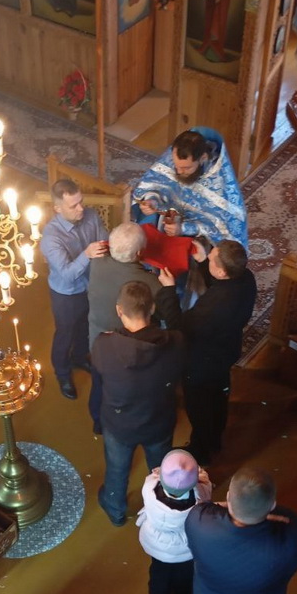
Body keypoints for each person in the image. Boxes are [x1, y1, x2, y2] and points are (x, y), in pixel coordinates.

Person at [91, 281, 183, 525]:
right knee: (160, 468)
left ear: (119, 310)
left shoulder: (103, 345)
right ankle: (163, 507)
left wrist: (97, 419)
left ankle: (115, 509)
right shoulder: (175, 342)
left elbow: (98, 385)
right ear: (152, 308)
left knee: (117, 469)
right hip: (159, 420)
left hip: (119, 423)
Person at [156, 238, 256, 464]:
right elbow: (220, 283)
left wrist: (169, 290)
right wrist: (203, 262)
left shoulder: (213, 306)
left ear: (221, 271)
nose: (208, 256)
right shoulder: (246, 278)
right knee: (219, 399)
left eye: (211, 259)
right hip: (226, 352)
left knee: (199, 408)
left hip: (201, 364)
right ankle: (215, 440)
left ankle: (200, 451)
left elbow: (178, 327)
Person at [87, 222, 160, 431]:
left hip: (96, 340)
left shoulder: (97, 263)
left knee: (98, 383)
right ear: (139, 253)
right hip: (128, 349)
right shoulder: (150, 284)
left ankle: (98, 422)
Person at [40, 179, 108, 399]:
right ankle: (62, 373)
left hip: (91, 285)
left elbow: (104, 238)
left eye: (81, 202)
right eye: (73, 206)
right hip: (66, 295)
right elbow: (68, 275)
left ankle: (79, 358)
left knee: (85, 327)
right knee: (65, 334)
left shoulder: (91, 216)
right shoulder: (51, 238)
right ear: (57, 208)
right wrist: (87, 254)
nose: (81, 209)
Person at [132, 127, 247, 248]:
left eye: (186, 168)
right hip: (168, 219)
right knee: (143, 235)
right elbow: (155, 184)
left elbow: (223, 229)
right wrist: (152, 200)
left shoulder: (220, 182)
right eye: (176, 166)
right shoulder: (173, 158)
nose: (179, 172)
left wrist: (184, 228)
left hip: (198, 238)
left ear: (203, 158)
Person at [136, 449, 211, 594]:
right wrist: (199, 474)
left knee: (158, 574)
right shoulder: (200, 497)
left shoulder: (148, 489)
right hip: (186, 548)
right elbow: (206, 486)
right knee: (185, 575)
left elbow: (153, 476)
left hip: (157, 546)